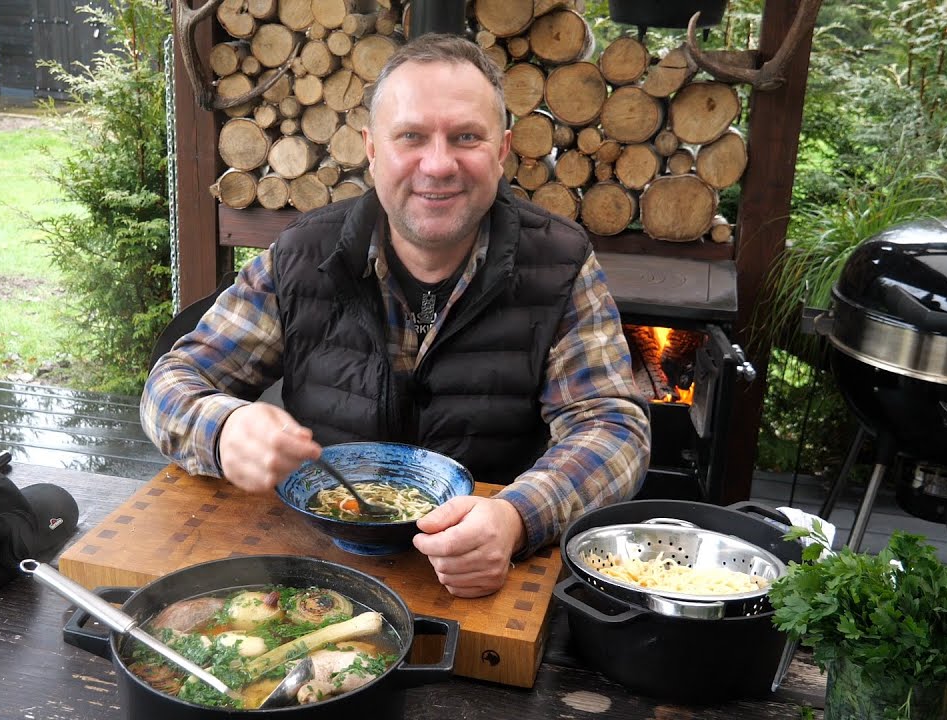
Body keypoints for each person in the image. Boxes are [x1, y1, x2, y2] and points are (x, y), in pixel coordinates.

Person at [141, 33, 650, 598]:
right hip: (310, 575)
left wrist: (515, 517)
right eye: (411, 136)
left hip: (479, 582)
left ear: (502, 151)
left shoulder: (561, 263)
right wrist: (224, 428)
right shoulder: (302, 256)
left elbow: (613, 428)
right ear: (372, 148)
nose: (438, 164)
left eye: (466, 138)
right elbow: (171, 385)